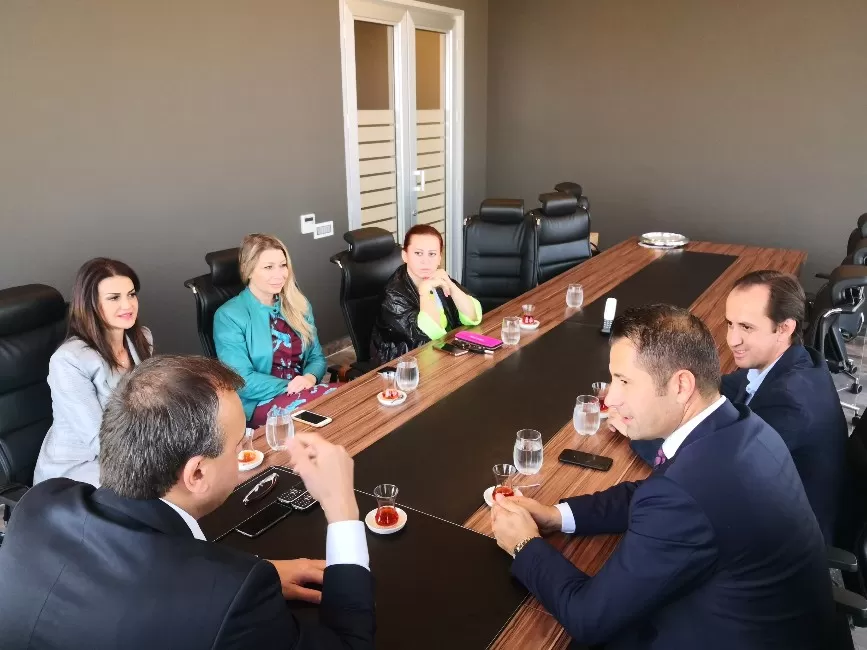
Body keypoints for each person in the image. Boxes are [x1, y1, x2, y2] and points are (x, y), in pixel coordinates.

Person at [490, 305, 835, 650]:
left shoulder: (685, 492)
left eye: (624, 381)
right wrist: (557, 516)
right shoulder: (741, 425)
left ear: (681, 385)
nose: (612, 398)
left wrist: (524, 545)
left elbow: (588, 618)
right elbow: (655, 492)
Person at [0, 355, 375, 649]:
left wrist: (258, 574)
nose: (243, 451)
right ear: (196, 474)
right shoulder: (232, 601)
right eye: (239, 445)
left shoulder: (39, 504)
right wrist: (341, 508)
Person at [630, 270, 847, 542]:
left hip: (782, 539)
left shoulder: (790, 404)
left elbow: (700, 473)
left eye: (746, 327)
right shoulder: (789, 360)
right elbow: (716, 388)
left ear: (785, 328)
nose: (732, 340)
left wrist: (640, 426)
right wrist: (650, 391)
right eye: (730, 324)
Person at [33, 257, 153, 486]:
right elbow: (99, 440)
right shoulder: (69, 360)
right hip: (80, 467)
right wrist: (159, 460)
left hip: (135, 449)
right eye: (114, 298)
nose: (128, 305)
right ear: (90, 304)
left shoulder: (142, 339)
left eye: (131, 294)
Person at [214, 233, 338, 427]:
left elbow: (316, 357)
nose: (279, 274)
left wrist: (309, 377)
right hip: (260, 401)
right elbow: (241, 380)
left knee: (352, 401)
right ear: (248, 270)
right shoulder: (229, 315)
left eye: (283, 265)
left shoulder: (298, 304)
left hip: (305, 390)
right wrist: (291, 385)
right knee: (332, 419)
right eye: (268, 267)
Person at [371, 224, 482, 363]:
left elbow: (473, 316)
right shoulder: (393, 295)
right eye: (418, 253)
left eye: (432, 254)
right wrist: (424, 291)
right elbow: (429, 334)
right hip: (404, 364)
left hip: (441, 354)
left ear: (439, 258)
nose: (425, 261)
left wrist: (451, 285)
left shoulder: (438, 279)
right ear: (405, 256)